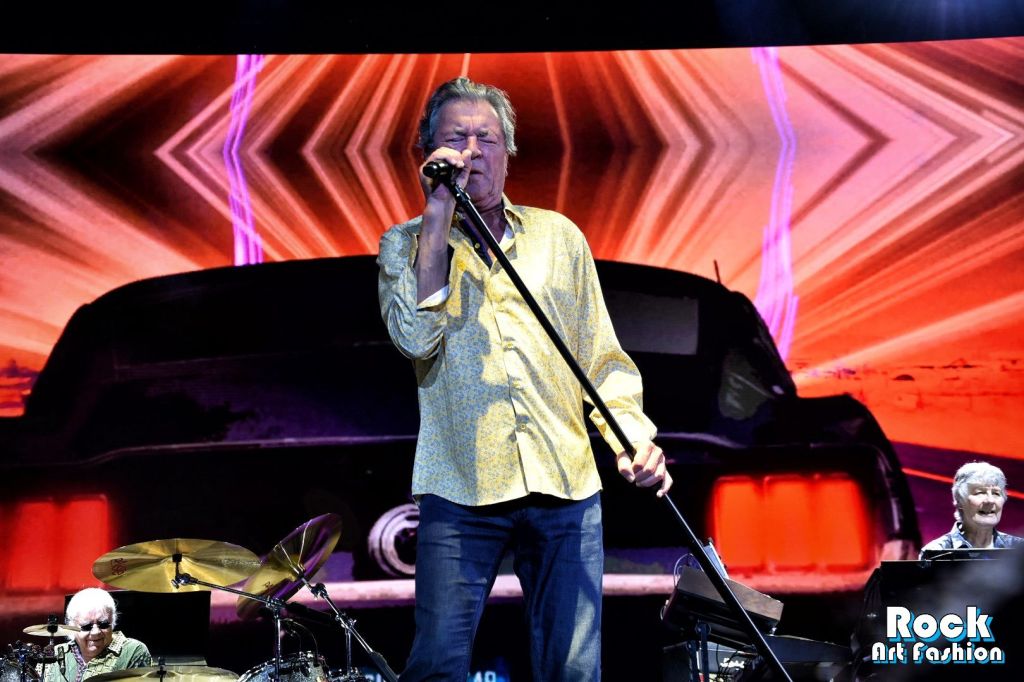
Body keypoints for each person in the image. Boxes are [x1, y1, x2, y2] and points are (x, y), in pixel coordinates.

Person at [377, 77, 671, 681]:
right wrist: (438, 214)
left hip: (564, 481)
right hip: (460, 486)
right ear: (428, 154)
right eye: (455, 139)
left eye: (486, 138)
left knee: (572, 669)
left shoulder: (558, 238)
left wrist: (632, 440)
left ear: (508, 152)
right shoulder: (404, 245)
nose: (471, 151)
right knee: (436, 665)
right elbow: (414, 339)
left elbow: (601, 358)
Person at [43, 587, 152, 682]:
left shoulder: (133, 651)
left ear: (112, 621)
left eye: (103, 624)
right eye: (86, 626)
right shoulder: (56, 653)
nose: (96, 632)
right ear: (71, 626)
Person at [920, 461, 1024, 556]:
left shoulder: (1019, 550)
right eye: (980, 493)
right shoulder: (935, 553)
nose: (990, 500)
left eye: (996, 493)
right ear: (959, 500)